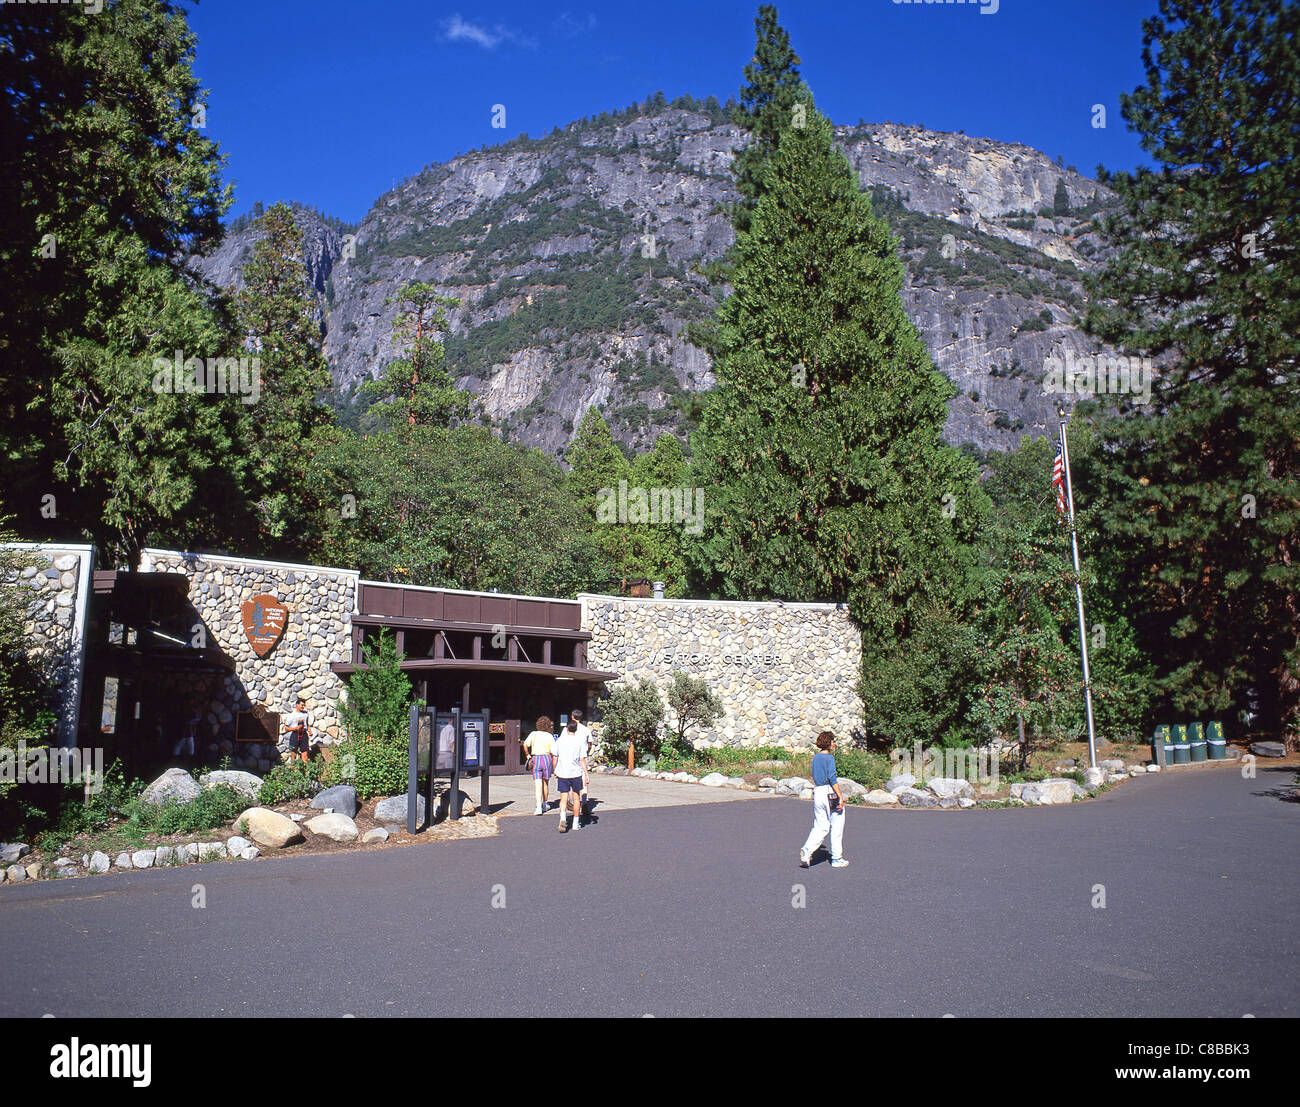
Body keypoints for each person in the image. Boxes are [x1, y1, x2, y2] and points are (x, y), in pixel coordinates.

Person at [799, 731, 849, 868]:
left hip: (818, 792)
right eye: (833, 741)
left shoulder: (815, 758)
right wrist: (840, 796)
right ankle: (837, 858)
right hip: (829, 792)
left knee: (820, 825)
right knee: (837, 823)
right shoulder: (829, 759)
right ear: (828, 743)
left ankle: (807, 849)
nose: (835, 744)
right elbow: (832, 778)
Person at [553, 717, 588, 833]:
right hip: (576, 773)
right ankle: (575, 823)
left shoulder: (560, 741)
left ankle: (563, 819)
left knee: (564, 797)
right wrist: (586, 774)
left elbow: (555, 757)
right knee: (576, 797)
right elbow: (582, 759)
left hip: (563, 772)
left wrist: (555, 770)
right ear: (576, 729)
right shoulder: (579, 742)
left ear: (567, 729)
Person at [523, 715, 556, 815]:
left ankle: (538, 806)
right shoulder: (549, 736)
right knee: (545, 783)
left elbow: (525, 744)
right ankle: (545, 803)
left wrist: (527, 755)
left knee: (538, 783)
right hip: (546, 758)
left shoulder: (533, 734)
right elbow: (554, 751)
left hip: (536, 758)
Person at [571, 708, 592, 814]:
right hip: (583, 756)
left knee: (571, 778)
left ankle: (573, 802)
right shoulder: (586, 729)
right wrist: (586, 750)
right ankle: (584, 803)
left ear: (572, 717)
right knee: (584, 780)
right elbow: (590, 743)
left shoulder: (569, 729)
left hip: (571, 757)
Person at [282, 697, 311, 764]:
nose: (303, 707)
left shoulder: (306, 714)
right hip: (295, 734)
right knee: (293, 755)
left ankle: (306, 773)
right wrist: (294, 728)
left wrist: (309, 730)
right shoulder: (292, 715)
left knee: (305, 755)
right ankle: (293, 771)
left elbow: (307, 724)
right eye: (301, 705)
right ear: (297, 705)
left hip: (304, 734)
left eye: (304, 705)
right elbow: (286, 728)